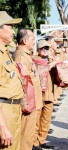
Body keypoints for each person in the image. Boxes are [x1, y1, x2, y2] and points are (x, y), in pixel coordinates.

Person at [13, 28, 43, 150]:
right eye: (32, 39)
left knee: (29, 135)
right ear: (25, 40)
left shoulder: (25, 56)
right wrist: (27, 105)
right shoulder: (20, 57)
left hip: (33, 102)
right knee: (26, 136)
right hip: (28, 104)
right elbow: (23, 83)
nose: (34, 42)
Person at [0, 11, 24, 150]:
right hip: (4, 113)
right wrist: (2, 126)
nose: (14, 31)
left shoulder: (5, 52)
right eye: (10, 26)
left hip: (13, 109)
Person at [33, 40, 60, 150]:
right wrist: (54, 62)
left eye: (47, 48)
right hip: (38, 94)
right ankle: (34, 142)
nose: (45, 50)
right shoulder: (35, 59)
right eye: (42, 48)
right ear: (38, 49)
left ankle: (42, 140)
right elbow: (43, 69)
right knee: (36, 119)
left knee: (46, 119)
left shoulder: (50, 59)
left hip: (49, 93)